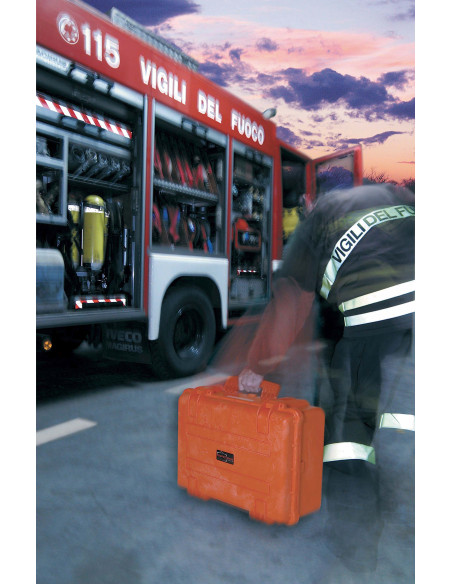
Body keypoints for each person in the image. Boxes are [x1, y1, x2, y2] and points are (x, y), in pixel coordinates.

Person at [238, 183, 415, 575]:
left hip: (374, 309)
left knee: (347, 434)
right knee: (369, 383)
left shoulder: (320, 217)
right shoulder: (390, 194)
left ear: (311, 201)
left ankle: (356, 550)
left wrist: (258, 365)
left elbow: (290, 301)